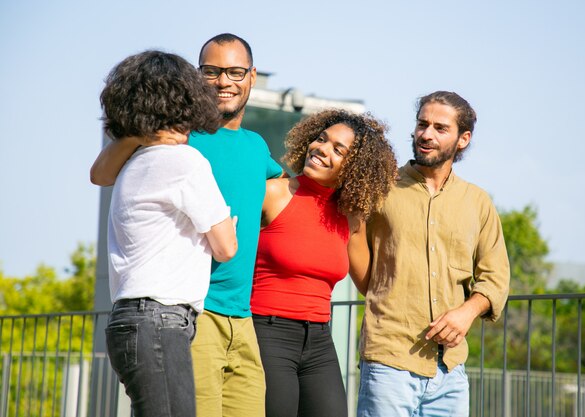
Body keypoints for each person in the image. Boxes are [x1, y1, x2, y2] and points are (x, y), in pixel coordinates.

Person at [90, 34, 284, 417]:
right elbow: (100, 173)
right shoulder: (174, 137)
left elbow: (284, 197)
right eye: (211, 71)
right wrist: (142, 130)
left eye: (234, 71)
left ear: (252, 75)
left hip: (242, 318)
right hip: (190, 312)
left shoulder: (258, 147)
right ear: (197, 77)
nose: (223, 81)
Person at [100, 50, 237, 417]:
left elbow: (98, 173)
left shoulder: (133, 163)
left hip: (130, 319)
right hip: (161, 319)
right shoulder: (185, 162)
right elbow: (226, 247)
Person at [357, 91, 510, 417]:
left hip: (451, 369)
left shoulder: (478, 202)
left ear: (463, 139)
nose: (426, 134)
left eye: (440, 128)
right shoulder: (381, 188)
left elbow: (496, 277)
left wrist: (467, 312)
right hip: (389, 359)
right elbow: (360, 262)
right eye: (422, 124)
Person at [251, 109, 398, 417]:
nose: (321, 149)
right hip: (267, 332)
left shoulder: (351, 217)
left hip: (319, 341)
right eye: (321, 139)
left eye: (337, 149)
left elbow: (372, 284)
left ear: (354, 168)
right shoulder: (273, 193)